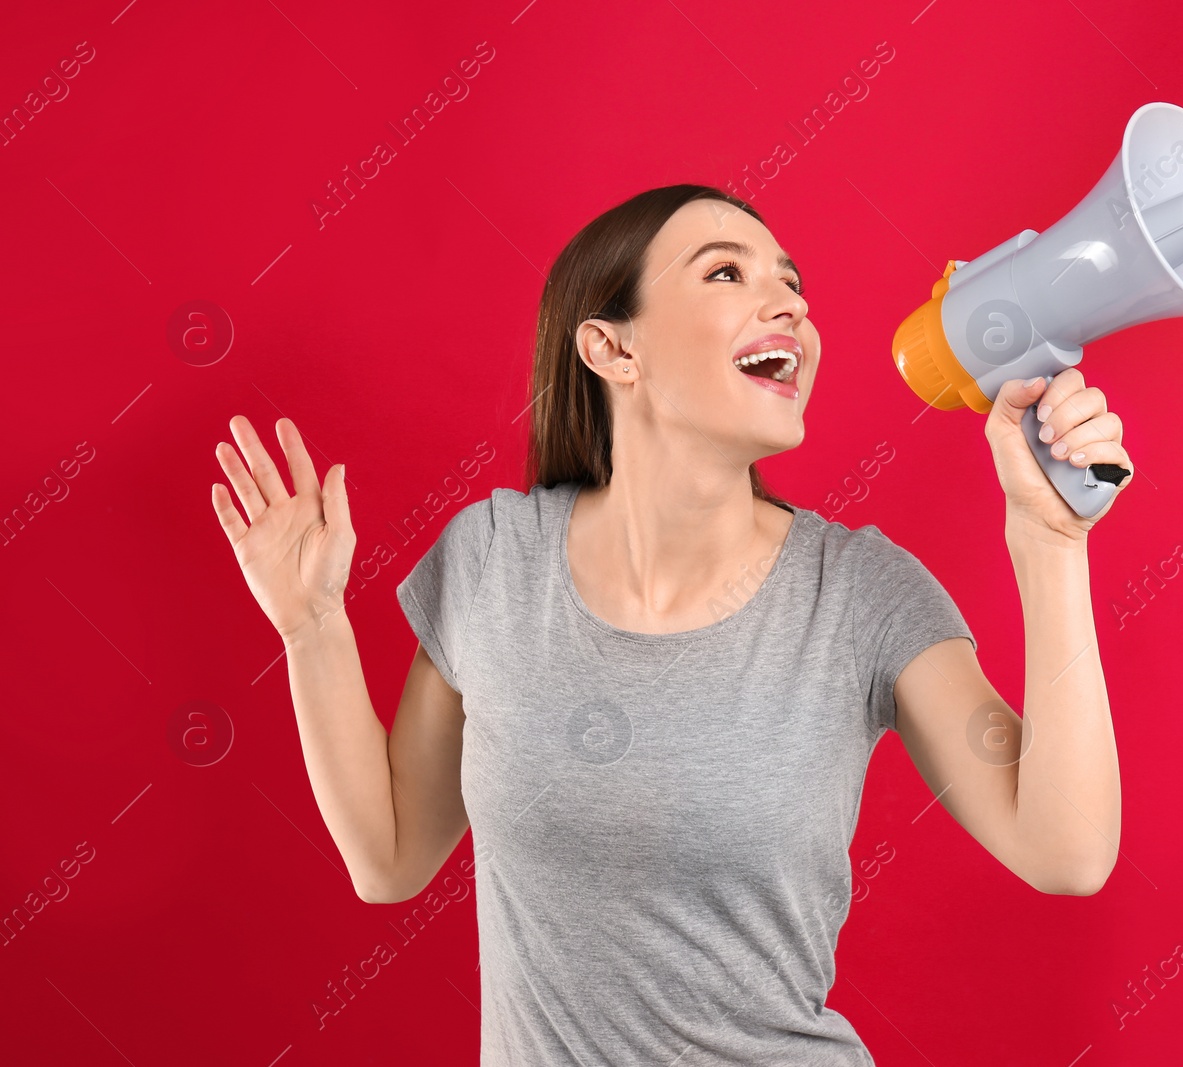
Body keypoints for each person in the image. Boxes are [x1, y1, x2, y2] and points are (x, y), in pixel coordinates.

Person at [209, 183, 1127, 1064]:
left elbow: (1066, 848)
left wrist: (1050, 542)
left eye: (793, 284)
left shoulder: (857, 593)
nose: (790, 306)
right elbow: (391, 855)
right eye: (728, 273)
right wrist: (311, 623)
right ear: (612, 349)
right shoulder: (494, 560)